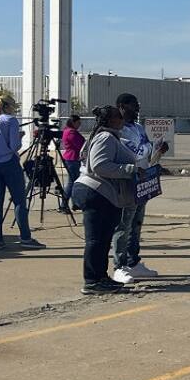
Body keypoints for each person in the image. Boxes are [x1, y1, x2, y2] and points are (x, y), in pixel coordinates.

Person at [72, 105, 141, 294]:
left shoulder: (107, 136)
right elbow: (100, 166)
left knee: (103, 239)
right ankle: (92, 281)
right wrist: (130, 170)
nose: (123, 120)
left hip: (104, 194)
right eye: (119, 117)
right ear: (111, 121)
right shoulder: (105, 137)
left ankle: (101, 278)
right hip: (95, 192)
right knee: (96, 240)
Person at [0, 95, 44, 249]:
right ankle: (25, 237)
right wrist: (19, 136)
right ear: (7, 106)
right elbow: (14, 146)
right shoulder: (9, 120)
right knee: (19, 200)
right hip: (8, 163)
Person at [110, 93, 167, 283]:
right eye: (134, 106)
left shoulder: (138, 128)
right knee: (123, 225)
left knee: (136, 224)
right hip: (126, 182)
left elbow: (147, 153)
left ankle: (134, 262)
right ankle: (119, 265)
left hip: (142, 182)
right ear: (122, 106)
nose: (137, 109)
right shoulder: (117, 130)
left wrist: (158, 150)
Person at [60, 114, 85, 210]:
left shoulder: (67, 131)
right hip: (72, 158)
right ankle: (65, 203)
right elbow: (80, 144)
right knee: (73, 182)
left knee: (74, 182)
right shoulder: (71, 132)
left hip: (72, 158)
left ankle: (74, 203)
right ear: (73, 122)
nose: (79, 125)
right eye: (78, 123)